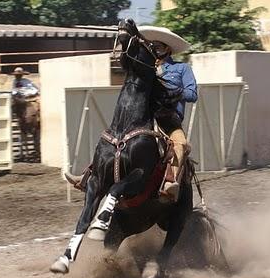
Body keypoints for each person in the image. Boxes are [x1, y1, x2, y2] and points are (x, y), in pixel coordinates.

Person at [65, 26, 198, 202]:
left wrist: (169, 88)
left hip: (167, 120)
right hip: (140, 118)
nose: (155, 48)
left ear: (167, 49)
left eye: (158, 45)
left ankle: (169, 183)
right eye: (153, 45)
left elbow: (192, 95)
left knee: (181, 144)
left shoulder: (182, 69)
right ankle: (89, 175)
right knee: (110, 141)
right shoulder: (145, 66)